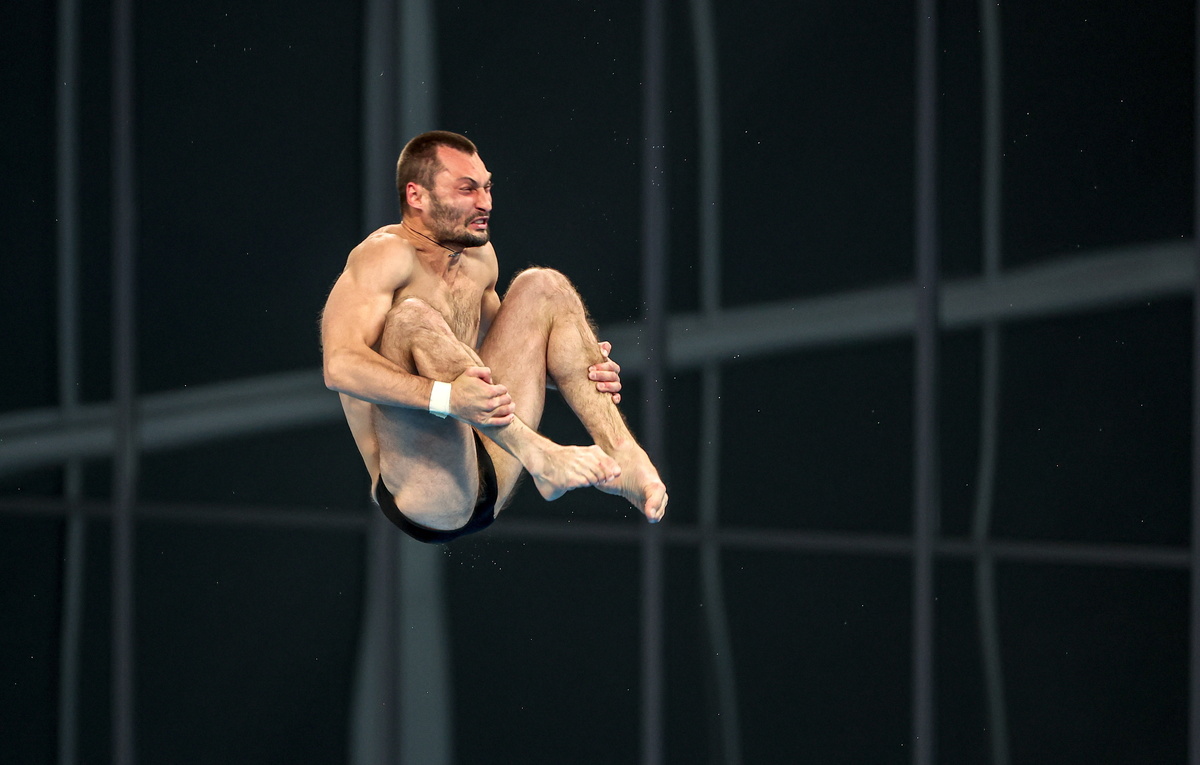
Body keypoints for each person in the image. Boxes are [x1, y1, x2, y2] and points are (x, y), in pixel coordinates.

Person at [321, 130, 668, 543]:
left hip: (491, 457)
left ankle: (623, 453)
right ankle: (539, 454)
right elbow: (339, 367)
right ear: (417, 196)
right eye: (467, 189)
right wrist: (448, 399)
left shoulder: (479, 259)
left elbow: (499, 357)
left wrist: (575, 365)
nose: (484, 202)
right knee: (411, 318)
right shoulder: (383, 256)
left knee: (544, 286)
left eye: (487, 187)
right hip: (425, 491)